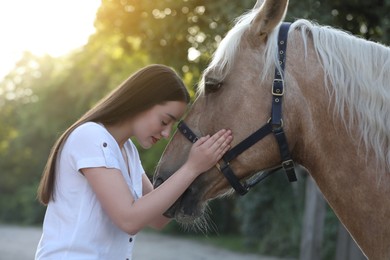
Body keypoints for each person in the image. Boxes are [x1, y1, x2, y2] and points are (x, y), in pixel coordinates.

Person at [35, 64, 233, 259]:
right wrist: (192, 167)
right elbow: (129, 220)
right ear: (142, 102)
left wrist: (203, 170)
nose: (166, 133)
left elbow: (158, 218)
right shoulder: (90, 136)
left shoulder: (127, 151)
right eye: (165, 121)